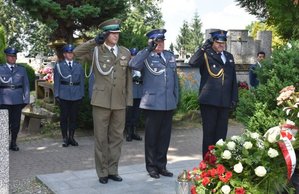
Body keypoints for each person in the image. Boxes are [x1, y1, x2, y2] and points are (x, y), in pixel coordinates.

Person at [73, 18, 132, 184]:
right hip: (101, 101)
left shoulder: (124, 52)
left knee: (117, 138)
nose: (116, 36)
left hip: (119, 101)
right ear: (105, 34)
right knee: (101, 139)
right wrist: (93, 41)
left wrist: (128, 100)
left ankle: (113, 170)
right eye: (112, 33)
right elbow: (76, 53)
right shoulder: (96, 51)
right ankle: (103, 172)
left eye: (117, 33)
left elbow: (127, 78)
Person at [129, 29, 179, 179]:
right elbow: (133, 65)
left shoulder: (169, 56)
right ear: (151, 42)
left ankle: (161, 166)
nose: (160, 44)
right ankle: (151, 167)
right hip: (152, 104)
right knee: (151, 137)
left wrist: (175, 98)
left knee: (164, 137)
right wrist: (148, 48)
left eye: (162, 41)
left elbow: (174, 80)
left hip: (167, 103)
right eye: (157, 42)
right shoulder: (146, 56)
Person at [189, 30, 238, 157]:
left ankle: (218, 162)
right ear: (212, 42)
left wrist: (234, 98)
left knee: (221, 135)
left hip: (224, 101)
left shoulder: (229, 57)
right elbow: (192, 62)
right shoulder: (206, 54)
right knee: (209, 134)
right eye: (218, 42)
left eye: (223, 42)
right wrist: (202, 49)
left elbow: (233, 79)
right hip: (209, 101)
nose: (221, 45)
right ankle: (207, 163)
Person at [53, 44, 85, 147]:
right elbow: (57, 81)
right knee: (64, 117)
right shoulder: (59, 66)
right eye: (68, 53)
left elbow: (81, 81)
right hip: (64, 95)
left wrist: (82, 95)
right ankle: (65, 138)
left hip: (76, 95)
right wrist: (57, 95)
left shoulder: (78, 66)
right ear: (64, 54)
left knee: (73, 118)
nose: (70, 54)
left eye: (71, 53)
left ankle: (71, 137)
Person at [0, 47, 30, 151]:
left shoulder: (21, 69)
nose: (12, 58)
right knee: (4, 124)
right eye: (10, 56)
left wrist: (26, 99)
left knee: (16, 123)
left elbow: (26, 85)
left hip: (17, 100)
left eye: (14, 57)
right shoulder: (0, 69)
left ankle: (13, 143)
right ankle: (3, 144)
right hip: (3, 100)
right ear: (6, 57)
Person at [125, 48, 143, 142]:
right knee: (129, 114)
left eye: (135, 56)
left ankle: (134, 132)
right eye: (132, 55)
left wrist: (141, 79)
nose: (134, 57)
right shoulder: (127, 67)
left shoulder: (141, 66)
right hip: (130, 93)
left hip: (139, 92)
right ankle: (128, 133)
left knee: (137, 114)